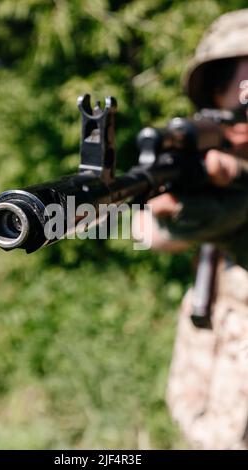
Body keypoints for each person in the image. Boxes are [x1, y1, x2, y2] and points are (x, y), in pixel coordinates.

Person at [133, 9, 248, 449]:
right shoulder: (207, 166)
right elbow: (154, 231)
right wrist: (167, 214)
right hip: (214, 391)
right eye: (232, 90)